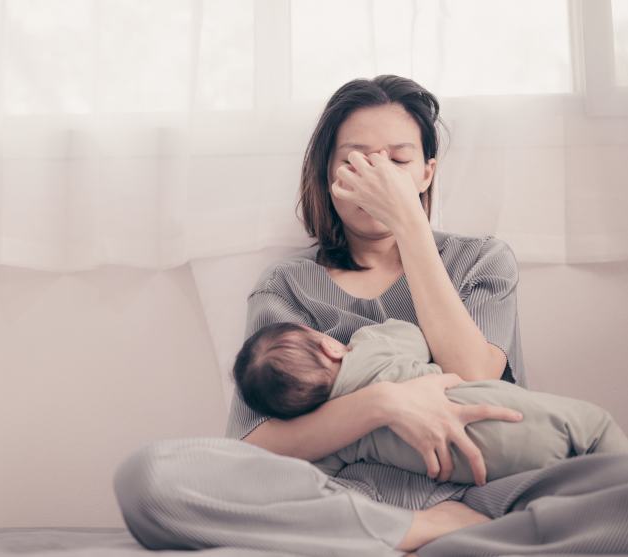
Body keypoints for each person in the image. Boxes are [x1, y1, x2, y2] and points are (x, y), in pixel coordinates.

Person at [114, 75, 628, 556]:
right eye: (357, 161)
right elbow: (256, 448)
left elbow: (474, 373)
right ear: (328, 175)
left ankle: (458, 535)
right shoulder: (286, 285)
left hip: (487, 492)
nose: (378, 176)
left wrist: (409, 223)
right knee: (149, 478)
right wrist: (384, 403)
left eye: (398, 162)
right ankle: (418, 533)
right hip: (339, 501)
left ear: (427, 173)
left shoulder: (480, 260)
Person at [233, 318, 628, 483]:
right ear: (330, 346)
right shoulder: (370, 347)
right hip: (518, 418)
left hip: (492, 474)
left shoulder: (336, 441)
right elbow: (415, 336)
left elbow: (307, 465)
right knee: (595, 427)